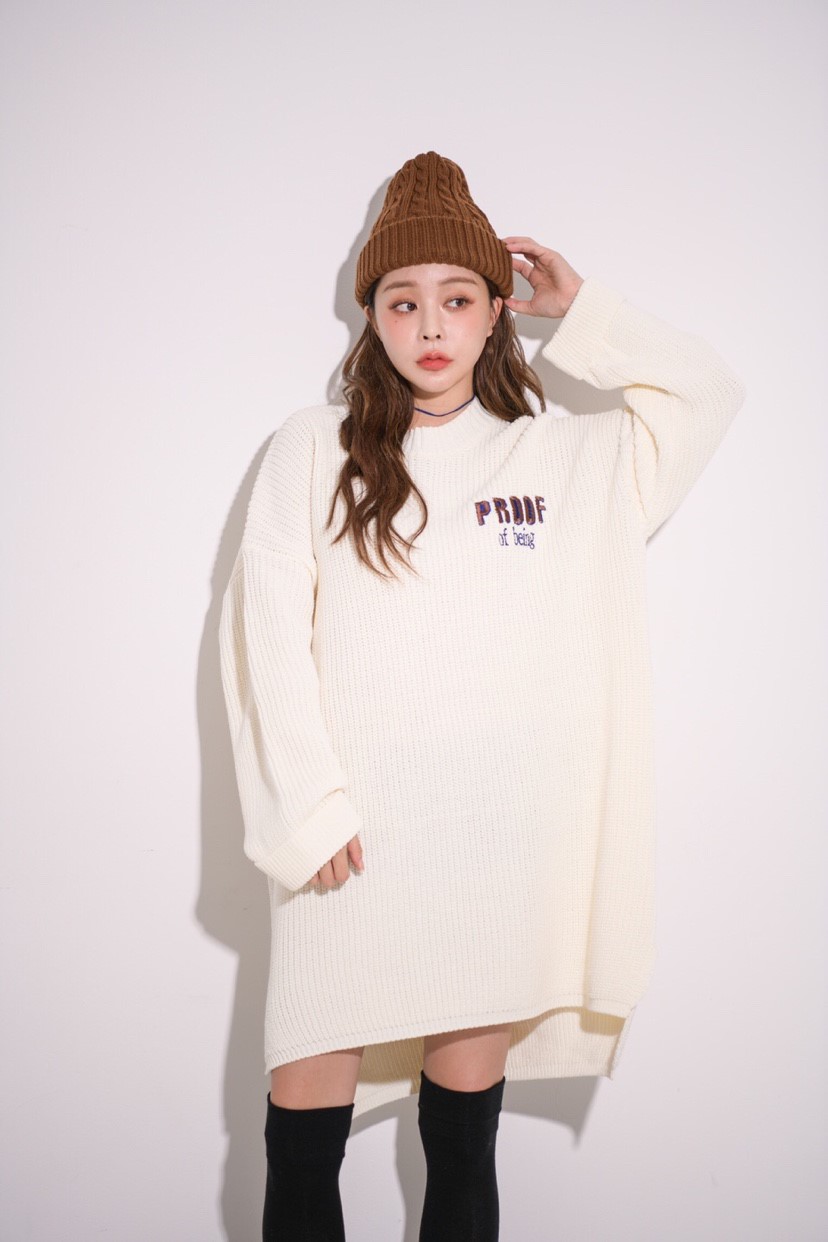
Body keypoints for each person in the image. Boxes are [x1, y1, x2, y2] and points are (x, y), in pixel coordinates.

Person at [218, 150, 747, 1241]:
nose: (430, 326)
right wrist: (305, 808)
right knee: (303, 1134)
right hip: (345, 848)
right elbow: (263, 636)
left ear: (498, 313)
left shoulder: (564, 461)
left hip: (492, 850)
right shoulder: (312, 449)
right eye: (403, 301)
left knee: (463, 1142)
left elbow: (706, 392)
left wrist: (584, 310)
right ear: (371, 317)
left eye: (458, 299)